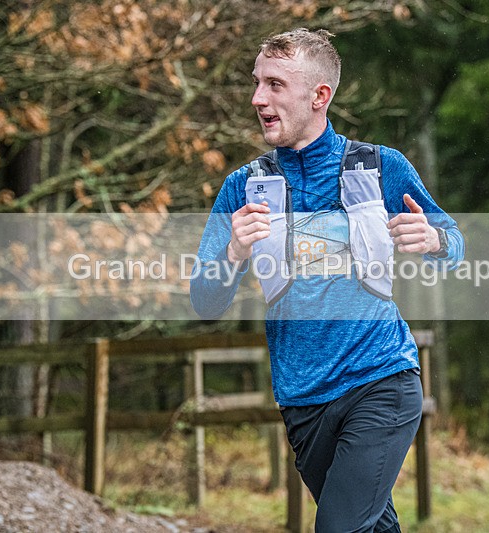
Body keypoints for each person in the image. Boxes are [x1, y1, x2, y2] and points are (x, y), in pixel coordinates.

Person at [190, 28, 463, 532]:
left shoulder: (382, 167)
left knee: (337, 528)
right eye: (256, 83)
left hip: (380, 380)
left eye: (274, 84)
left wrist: (435, 240)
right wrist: (232, 252)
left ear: (320, 96)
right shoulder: (242, 187)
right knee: (372, 527)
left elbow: (454, 246)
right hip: (303, 401)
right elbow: (204, 301)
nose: (257, 98)